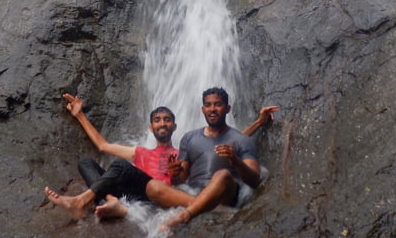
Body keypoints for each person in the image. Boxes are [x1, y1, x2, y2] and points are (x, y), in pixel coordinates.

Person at [45, 92, 277, 222]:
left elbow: (220, 145)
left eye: (167, 120)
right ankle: (109, 201)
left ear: (175, 126)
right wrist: (80, 115)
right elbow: (102, 145)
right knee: (87, 162)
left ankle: (93, 202)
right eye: (157, 120)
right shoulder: (140, 152)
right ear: (150, 128)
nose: (162, 123)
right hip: (132, 191)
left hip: (154, 198)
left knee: (120, 167)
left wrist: (258, 123)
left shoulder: (182, 154)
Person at [145, 87, 263, 231]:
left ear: (227, 108)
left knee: (223, 175)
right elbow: (181, 180)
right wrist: (175, 173)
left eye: (218, 104)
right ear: (203, 109)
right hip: (194, 193)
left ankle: (186, 215)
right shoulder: (189, 138)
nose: (212, 109)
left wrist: (237, 161)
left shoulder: (241, 140)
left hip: (224, 195)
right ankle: (207, 206)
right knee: (153, 186)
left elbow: (255, 180)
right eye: (208, 105)